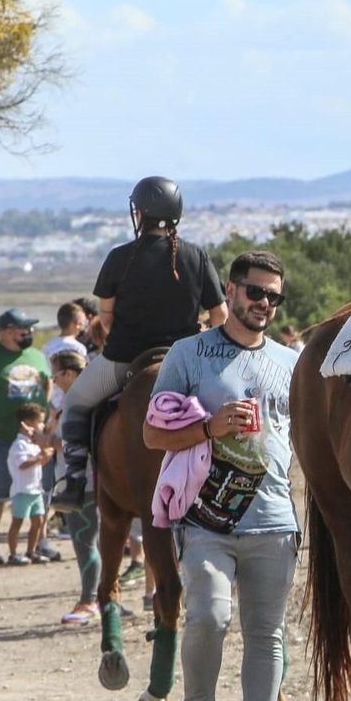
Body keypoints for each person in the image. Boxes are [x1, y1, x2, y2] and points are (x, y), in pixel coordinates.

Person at [145, 251, 299, 701]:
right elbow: (151, 433)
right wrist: (211, 427)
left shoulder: (290, 362)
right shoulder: (190, 353)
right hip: (206, 519)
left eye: (274, 297)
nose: (264, 304)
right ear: (230, 292)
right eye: (255, 292)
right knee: (209, 616)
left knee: (267, 633)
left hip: (275, 519)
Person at [53, 176, 228, 512]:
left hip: (124, 360)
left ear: (140, 213)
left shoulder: (120, 257)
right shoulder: (197, 256)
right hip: (185, 362)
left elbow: (106, 318)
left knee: (75, 402)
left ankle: (74, 480)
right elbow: (219, 315)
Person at [49, 350, 102, 624]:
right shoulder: (94, 396)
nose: (53, 381)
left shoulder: (77, 400)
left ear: (68, 373)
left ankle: (89, 600)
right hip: (95, 481)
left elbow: (73, 443)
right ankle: (102, 598)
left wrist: (47, 441)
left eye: (55, 375)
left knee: (85, 543)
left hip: (83, 484)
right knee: (96, 543)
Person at [0, 309, 50, 565]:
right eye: (23, 328)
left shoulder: (37, 357)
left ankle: (38, 545)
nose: (30, 332)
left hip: (36, 440)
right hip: (1, 438)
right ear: (5, 330)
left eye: (30, 328)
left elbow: (47, 384)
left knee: (39, 494)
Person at [5, 403, 53, 566]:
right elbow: (22, 464)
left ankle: (31, 551)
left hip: (35, 490)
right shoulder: (19, 445)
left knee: (38, 521)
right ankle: (13, 554)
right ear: (27, 422)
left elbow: (39, 464)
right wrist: (41, 456)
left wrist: (46, 455)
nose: (42, 425)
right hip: (22, 491)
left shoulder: (34, 444)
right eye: (40, 421)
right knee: (17, 522)